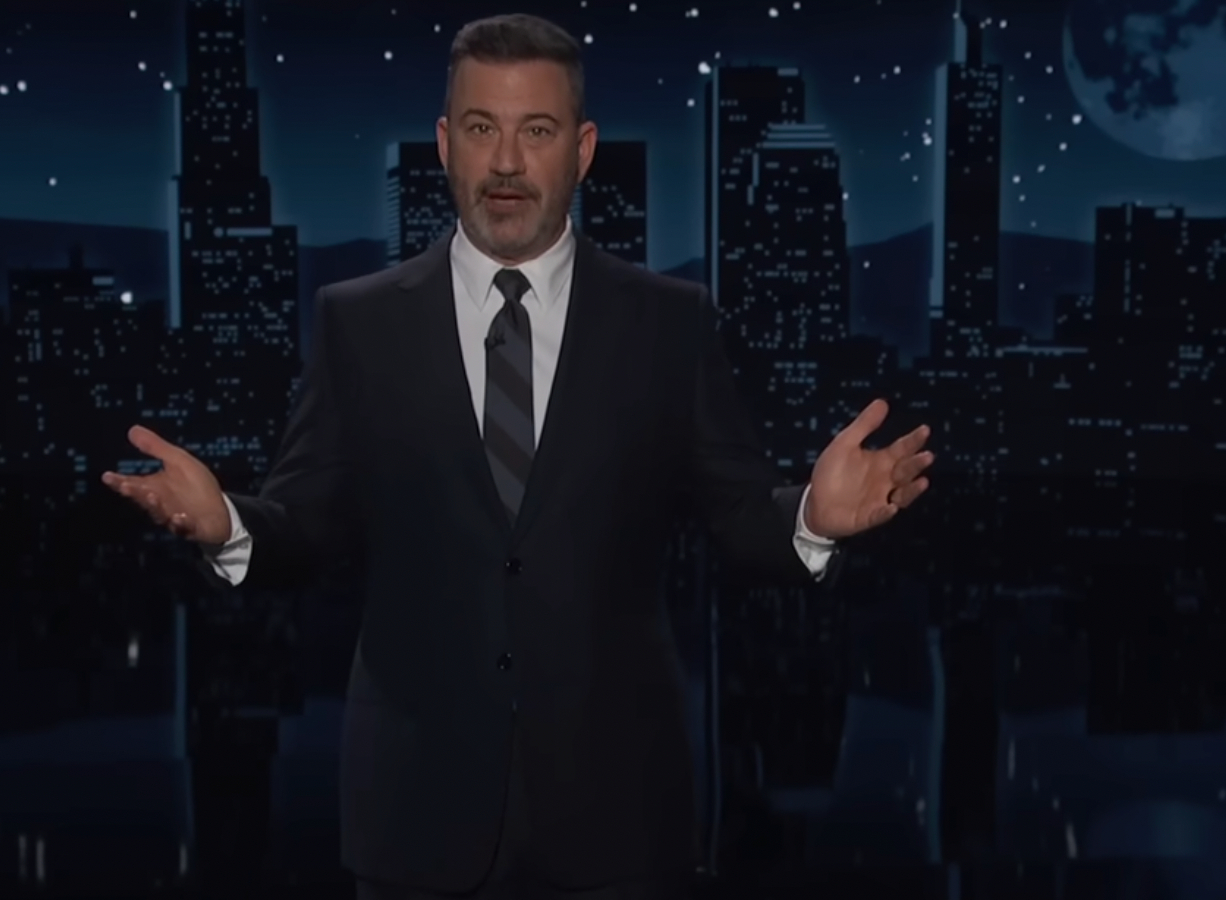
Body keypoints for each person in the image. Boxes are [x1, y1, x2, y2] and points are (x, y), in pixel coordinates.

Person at [103, 12, 932, 900]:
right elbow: (305, 524)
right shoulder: (360, 322)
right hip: (414, 812)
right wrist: (227, 524)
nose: (505, 162)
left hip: (619, 813)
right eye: (480, 128)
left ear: (581, 151)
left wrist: (811, 517)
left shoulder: (667, 321)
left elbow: (735, 513)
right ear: (444, 145)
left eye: (535, 131)